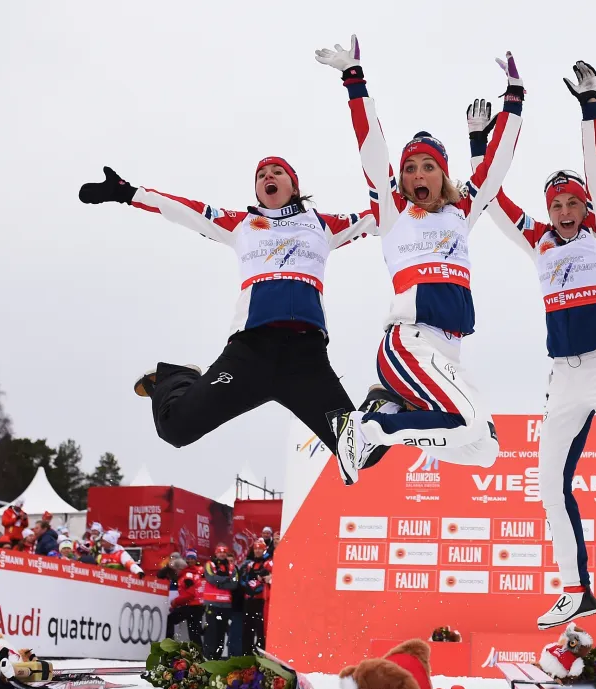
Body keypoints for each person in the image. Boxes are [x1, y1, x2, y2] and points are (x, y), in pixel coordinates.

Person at [478, 61, 596, 627]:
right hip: (563, 376)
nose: (561, 212)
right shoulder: (537, 242)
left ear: (586, 208)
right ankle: (574, 587)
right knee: (546, 484)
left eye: (571, 204)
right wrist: (475, 142)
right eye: (554, 204)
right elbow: (490, 198)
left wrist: (590, 105)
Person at [78, 139, 384, 460]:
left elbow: (383, 217)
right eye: (261, 173)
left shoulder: (321, 225)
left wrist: (432, 202)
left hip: (304, 360)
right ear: (257, 189)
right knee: (174, 429)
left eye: (277, 171)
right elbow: (183, 209)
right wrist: (128, 193)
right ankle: (177, 376)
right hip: (250, 355)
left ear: (293, 186)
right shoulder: (243, 225)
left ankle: (381, 400)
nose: (269, 176)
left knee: (363, 454)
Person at [315, 35, 524, 484]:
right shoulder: (392, 213)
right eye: (411, 168)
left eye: (428, 166)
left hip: (448, 348)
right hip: (409, 343)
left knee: (484, 449)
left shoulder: (460, 212)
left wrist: (514, 99)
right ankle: (367, 427)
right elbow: (373, 152)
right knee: (466, 423)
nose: (417, 174)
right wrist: (355, 81)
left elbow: (497, 167)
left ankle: (386, 413)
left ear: (443, 174)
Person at [201, 545, 238, 658]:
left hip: (225, 605)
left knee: (221, 632)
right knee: (211, 631)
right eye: (219, 552)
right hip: (212, 604)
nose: (222, 554)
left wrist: (218, 583)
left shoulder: (232, 567)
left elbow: (234, 583)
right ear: (216, 553)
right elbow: (211, 578)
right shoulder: (209, 564)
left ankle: (217, 657)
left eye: (224, 552)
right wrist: (225, 579)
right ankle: (208, 656)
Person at [165, 548, 205, 642]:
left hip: (191, 606)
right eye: (188, 558)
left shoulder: (188, 575)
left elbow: (190, 594)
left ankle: (169, 645)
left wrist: (175, 602)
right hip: (198, 605)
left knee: (170, 619)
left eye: (192, 558)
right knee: (194, 633)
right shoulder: (196, 572)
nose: (190, 560)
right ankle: (198, 653)